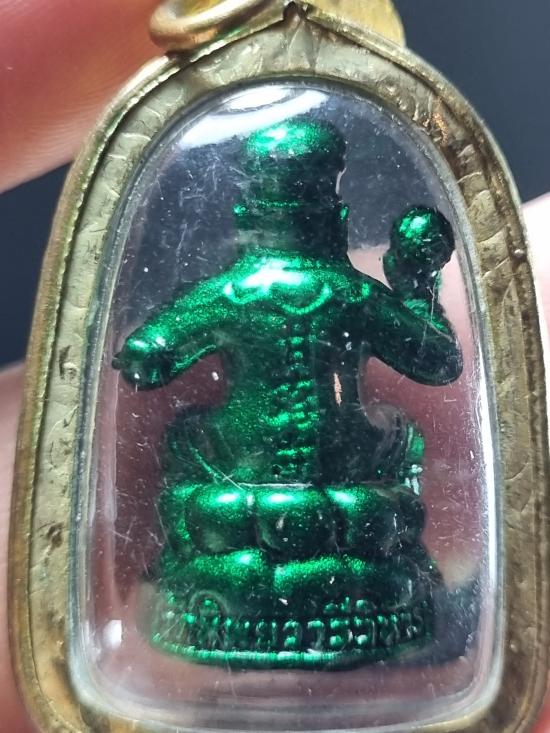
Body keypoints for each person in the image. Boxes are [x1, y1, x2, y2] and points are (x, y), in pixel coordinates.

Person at [0, 0, 549, 729]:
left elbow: (145, 357)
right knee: (330, 514)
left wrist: (167, 329)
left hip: (273, 512)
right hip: (312, 515)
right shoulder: (346, 294)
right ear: (335, 213)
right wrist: (415, 284)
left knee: (274, 513)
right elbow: (438, 358)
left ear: (247, 214)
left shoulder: (234, 294)